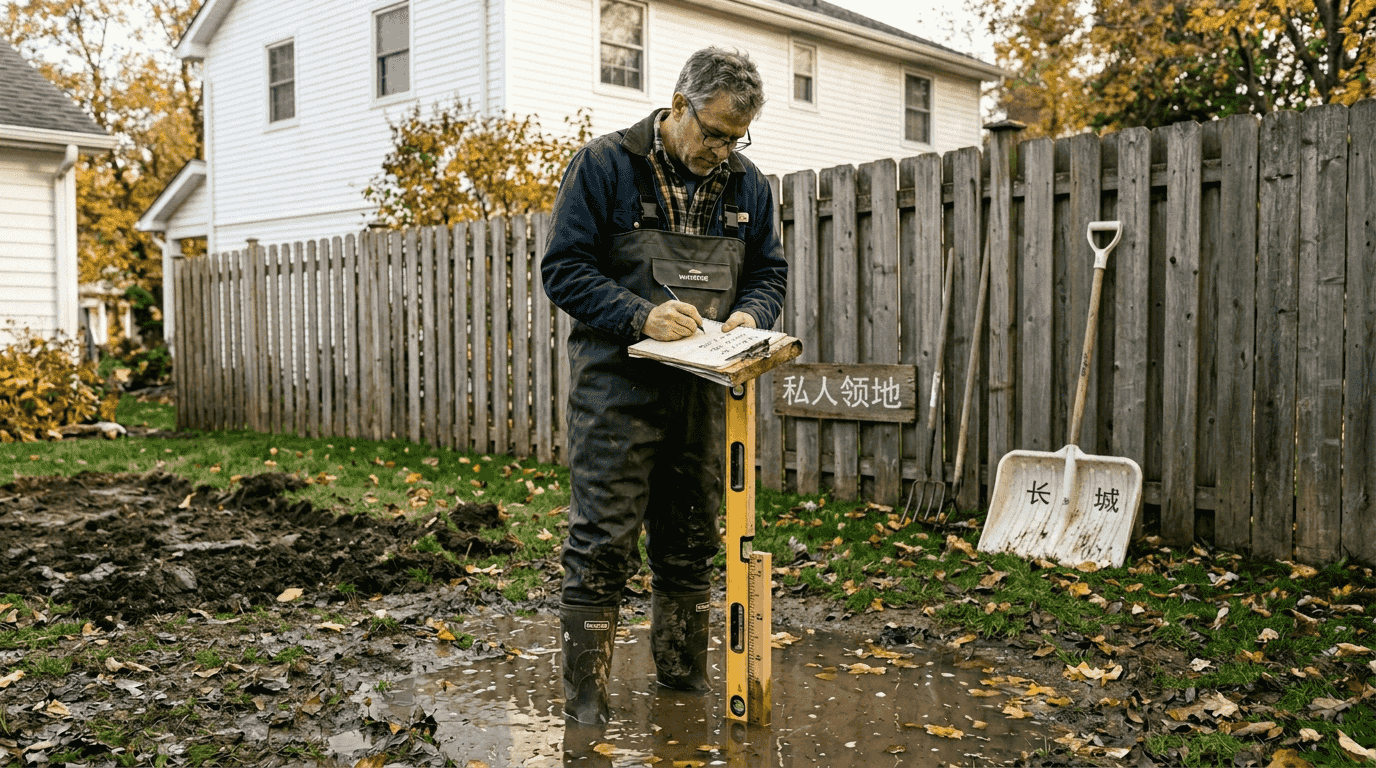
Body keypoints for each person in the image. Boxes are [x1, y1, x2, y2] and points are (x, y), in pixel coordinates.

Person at [541, 46, 787, 726]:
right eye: (712, 133)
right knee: (603, 540)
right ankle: (586, 701)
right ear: (679, 106)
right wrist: (637, 313)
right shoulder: (605, 166)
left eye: (736, 139)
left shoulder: (748, 185)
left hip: (704, 391)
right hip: (615, 388)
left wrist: (752, 315)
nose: (723, 151)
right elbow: (563, 269)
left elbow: (770, 273)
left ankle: (683, 685)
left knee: (690, 539)